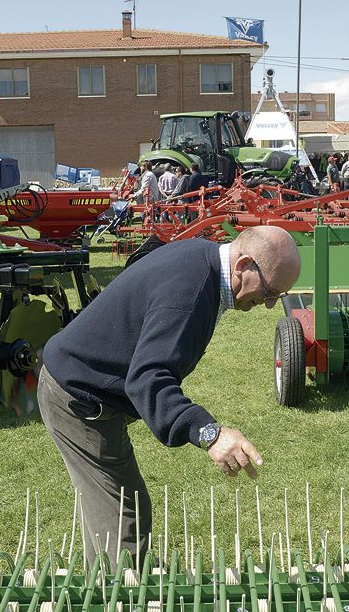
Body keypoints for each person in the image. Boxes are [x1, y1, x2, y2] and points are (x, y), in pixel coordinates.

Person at [38, 226, 301, 567]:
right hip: (77, 397)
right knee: (123, 527)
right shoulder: (191, 292)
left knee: (122, 510)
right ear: (243, 265)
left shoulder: (202, 260)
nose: (267, 305)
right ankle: (117, 595)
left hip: (88, 387)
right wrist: (211, 434)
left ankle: (104, 582)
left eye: (276, 298)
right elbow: (148, 379)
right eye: (268, 292)